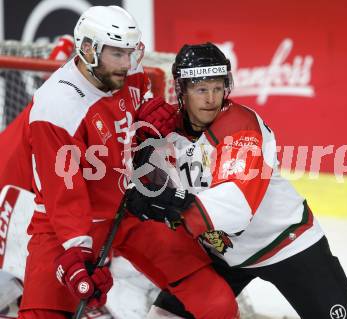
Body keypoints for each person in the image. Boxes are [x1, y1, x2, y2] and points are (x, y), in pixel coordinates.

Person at [17, 7, 238, 319]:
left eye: (131, 53)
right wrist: (77, 253)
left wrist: (151, 122)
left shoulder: (128, 73)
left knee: (216, 302)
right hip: (66, 224)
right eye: (117, 54)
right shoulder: (56, 108)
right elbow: (64, 194)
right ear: (88, 49)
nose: (127, 63)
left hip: (130, 206)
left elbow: (139, 119)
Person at [127, 42, 347, 319]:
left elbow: (236, 207)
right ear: (182, 90)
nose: (211, 99)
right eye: (201, 89)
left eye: (217, 88)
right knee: (164, 316)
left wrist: (171, 205)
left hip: (285, 243)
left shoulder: (240, 126)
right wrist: (142, 144)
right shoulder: (169, 130)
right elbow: (151, 182)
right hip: (222, 253)